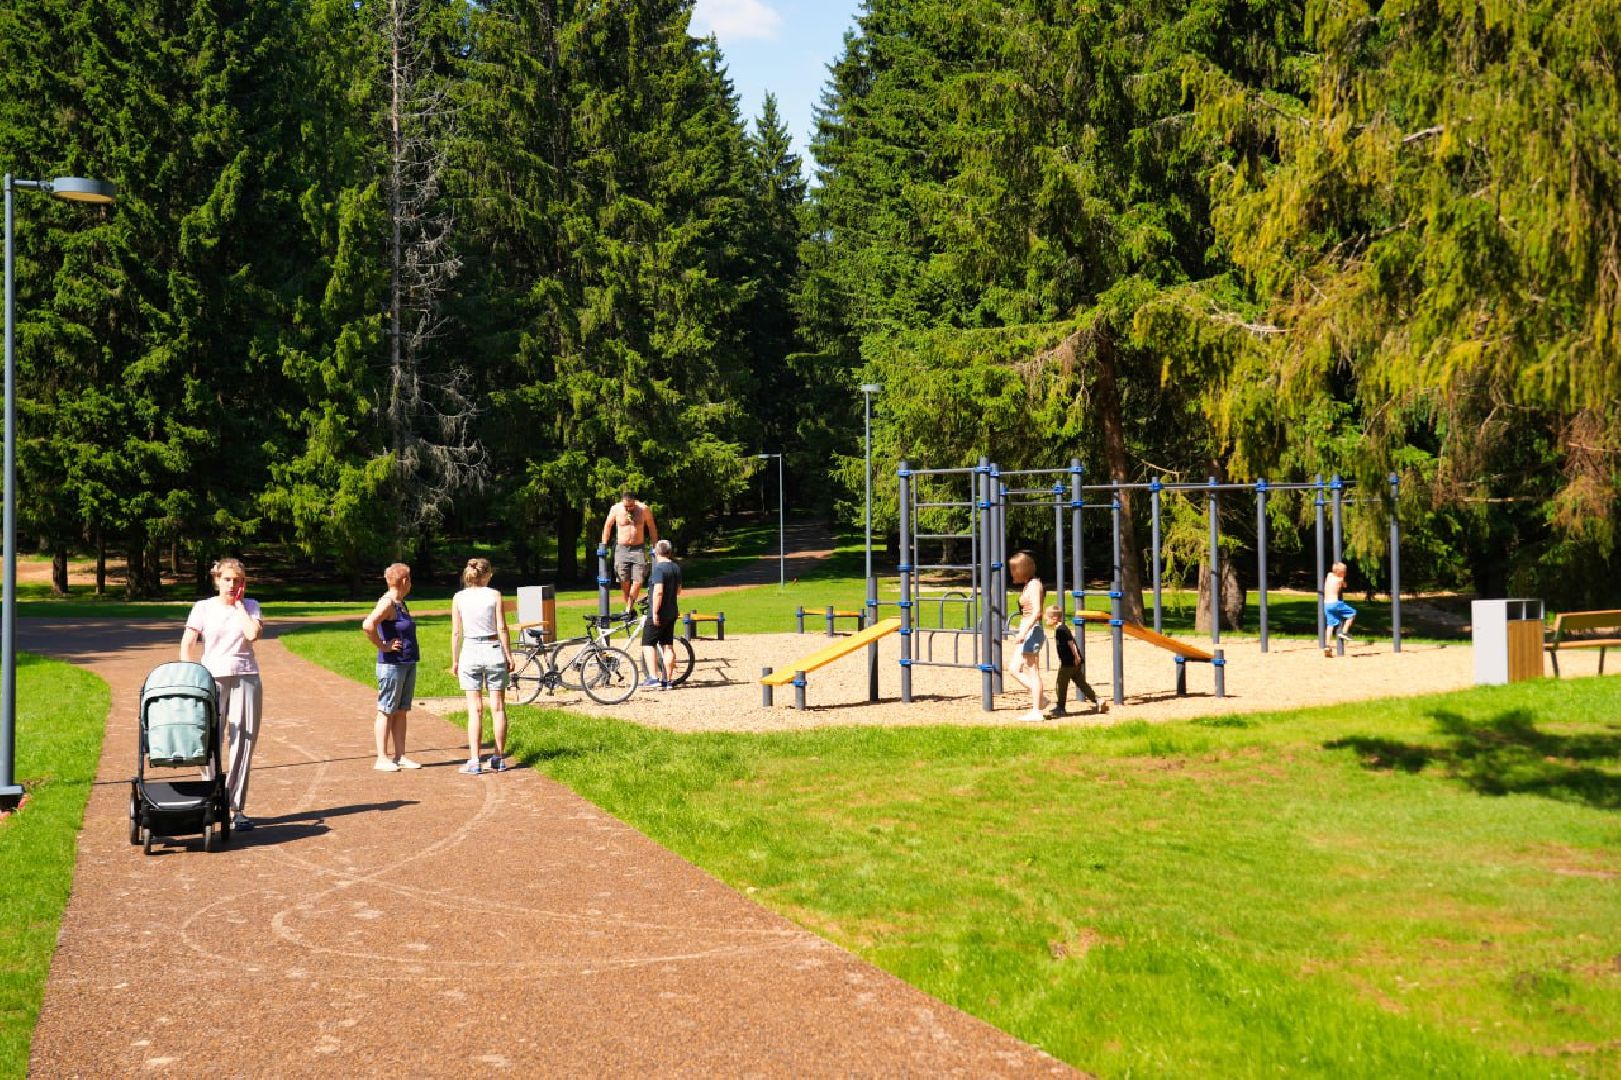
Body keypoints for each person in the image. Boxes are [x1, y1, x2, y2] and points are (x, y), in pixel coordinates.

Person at [179, 557, 264, 831]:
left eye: (237, 580)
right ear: (217, 580)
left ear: (244, 584)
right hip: (211, 678)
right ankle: (213, 798)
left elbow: (252, 634)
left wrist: (239, 605)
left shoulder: (251, 606)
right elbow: (188, 643)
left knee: (244, 742)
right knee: (208, 739)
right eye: (227, 579)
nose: (232, 584)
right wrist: (188, 673)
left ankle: (236, 807)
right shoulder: (203, 607)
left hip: (245, 678)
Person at [451, 557, 514, 774]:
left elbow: (456, 632)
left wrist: (455, 659)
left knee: (475, 710)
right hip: (493, 648)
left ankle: (475, 760)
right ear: (487, 575)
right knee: (497, 707)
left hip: (470, 650)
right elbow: (502, 627)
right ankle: (498, 757)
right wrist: (509, 654)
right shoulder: (494, 595)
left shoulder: (459, 597)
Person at [361, 563, 420, 772]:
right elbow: (368, 625)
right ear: (404, 581)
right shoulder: (387, 603)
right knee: (386, 710)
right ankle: (381, 758)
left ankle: (400, 755)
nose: (411, 583)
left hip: (406, 662)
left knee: (401, 711)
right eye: (410, 579)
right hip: (391, 666)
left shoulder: (400, 603)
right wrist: (383, 646)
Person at [600, 490, 659, 611]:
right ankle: (630, 611)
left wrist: (655, 545)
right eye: (626, 506)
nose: (628, 509)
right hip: (622, 549)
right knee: (624, 581)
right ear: (623, 501)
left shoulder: (643, 509)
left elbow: (651, 526)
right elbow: (608, 525)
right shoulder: (616, 509)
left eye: (630, 506)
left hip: (638, 549)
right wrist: (604, 545)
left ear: (635, 502)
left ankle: (628, 608)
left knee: (638, 580)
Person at [1045, 605, 1106, 716]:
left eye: (1047, 618)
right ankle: (1098, 700)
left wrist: (1076, 656)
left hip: (1068, 663)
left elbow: (1071, 643)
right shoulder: (1063, 628)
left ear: (1054, 618)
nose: (1046, 620)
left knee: (1061, 685)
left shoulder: (1061, 630)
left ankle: (1060, 708)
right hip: (1073, 663)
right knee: (1082, 684)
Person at [1008, 551, 1047, 722]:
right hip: (1026, 629)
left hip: (1031, 631)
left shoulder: (1034, 585)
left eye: (1013, 569)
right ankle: (1041, 699)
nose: (1011, 573)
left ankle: (1037, 711)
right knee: (1013, 669)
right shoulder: (1028, 584)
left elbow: (1037, 611)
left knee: (1033, 671)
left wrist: (1023, 633)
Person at [641, 540, 682, 689]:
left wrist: (655, 612)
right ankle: (668, 681)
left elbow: (658, 591)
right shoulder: (676, 568)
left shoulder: (658, 569)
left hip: (659, 612)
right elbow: (678, 590)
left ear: (657, 553)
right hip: (672, 611)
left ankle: (653, 678)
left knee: (647, 644)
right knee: (668, 646)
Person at [1323, 561, 1357, 657]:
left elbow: (1332, 573)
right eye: (1344, 572)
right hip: (1335, 603)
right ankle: (1344, 632)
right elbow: (1345, 586)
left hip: (1326, 604)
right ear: (1341, 573)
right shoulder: (1340, 579)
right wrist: (1343, 579)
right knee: (1352, 613)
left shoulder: (1329, 575)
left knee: (1330, 625)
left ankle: (1327, 645)